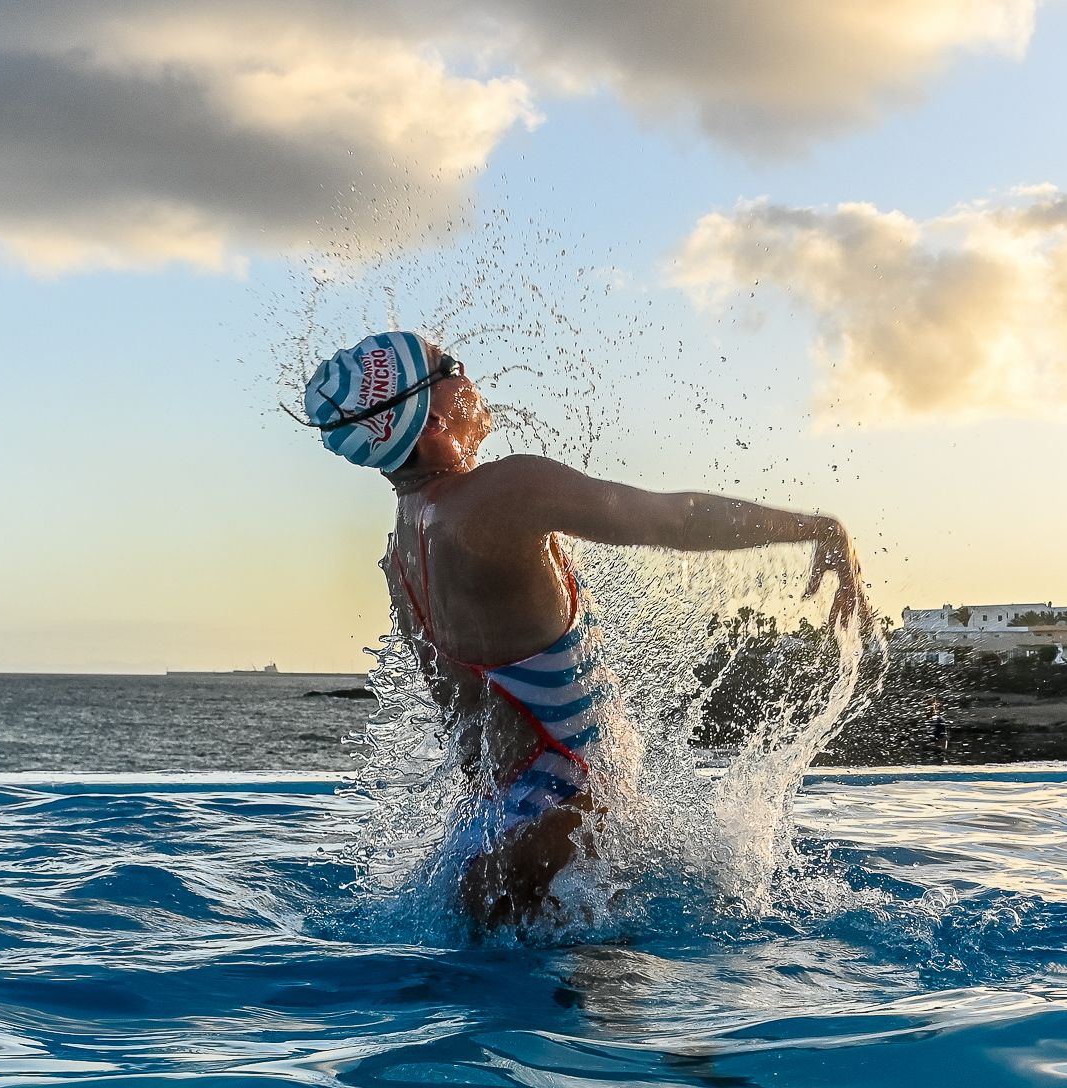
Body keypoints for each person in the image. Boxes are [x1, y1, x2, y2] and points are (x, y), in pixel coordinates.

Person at [293, 331, 865, 927]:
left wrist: (516, 845)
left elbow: (469, 733)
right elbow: (673, 519)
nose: (470, 377)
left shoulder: (404, 552)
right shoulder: (500, 492)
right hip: (568, 820)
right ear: (432, 418)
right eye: (450, 367)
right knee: (611, 1016)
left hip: (488, 828)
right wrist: (816, 528)